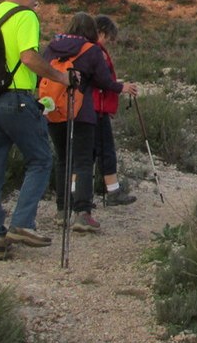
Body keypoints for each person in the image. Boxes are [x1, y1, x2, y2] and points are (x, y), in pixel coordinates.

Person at [0, 0, 71, 259]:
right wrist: (60, 77)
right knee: (41, 159)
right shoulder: (25, 16)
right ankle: (22, 224)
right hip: (15, 99)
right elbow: (28, 57)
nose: (36, 4)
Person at [43, 12, 138, 233]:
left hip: (54, 109)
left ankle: (61, 210)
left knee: (62, 160)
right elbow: (103, 81)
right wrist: (121, 87)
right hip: (81, 112)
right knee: (83, 161)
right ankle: (82, 214)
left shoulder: (53, 46)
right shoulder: (91, 50)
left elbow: (41, 74)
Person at [92, 15, 137, 206]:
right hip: (96, 108)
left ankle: (79, 196)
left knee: (88, 153)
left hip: (87, 107)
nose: (108, 42)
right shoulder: (95, 51)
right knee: (106, 150)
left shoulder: (83, 49)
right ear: (101, 32)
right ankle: (112, 192)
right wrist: (121, 87)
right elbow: (100, 80)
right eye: (108, 37)